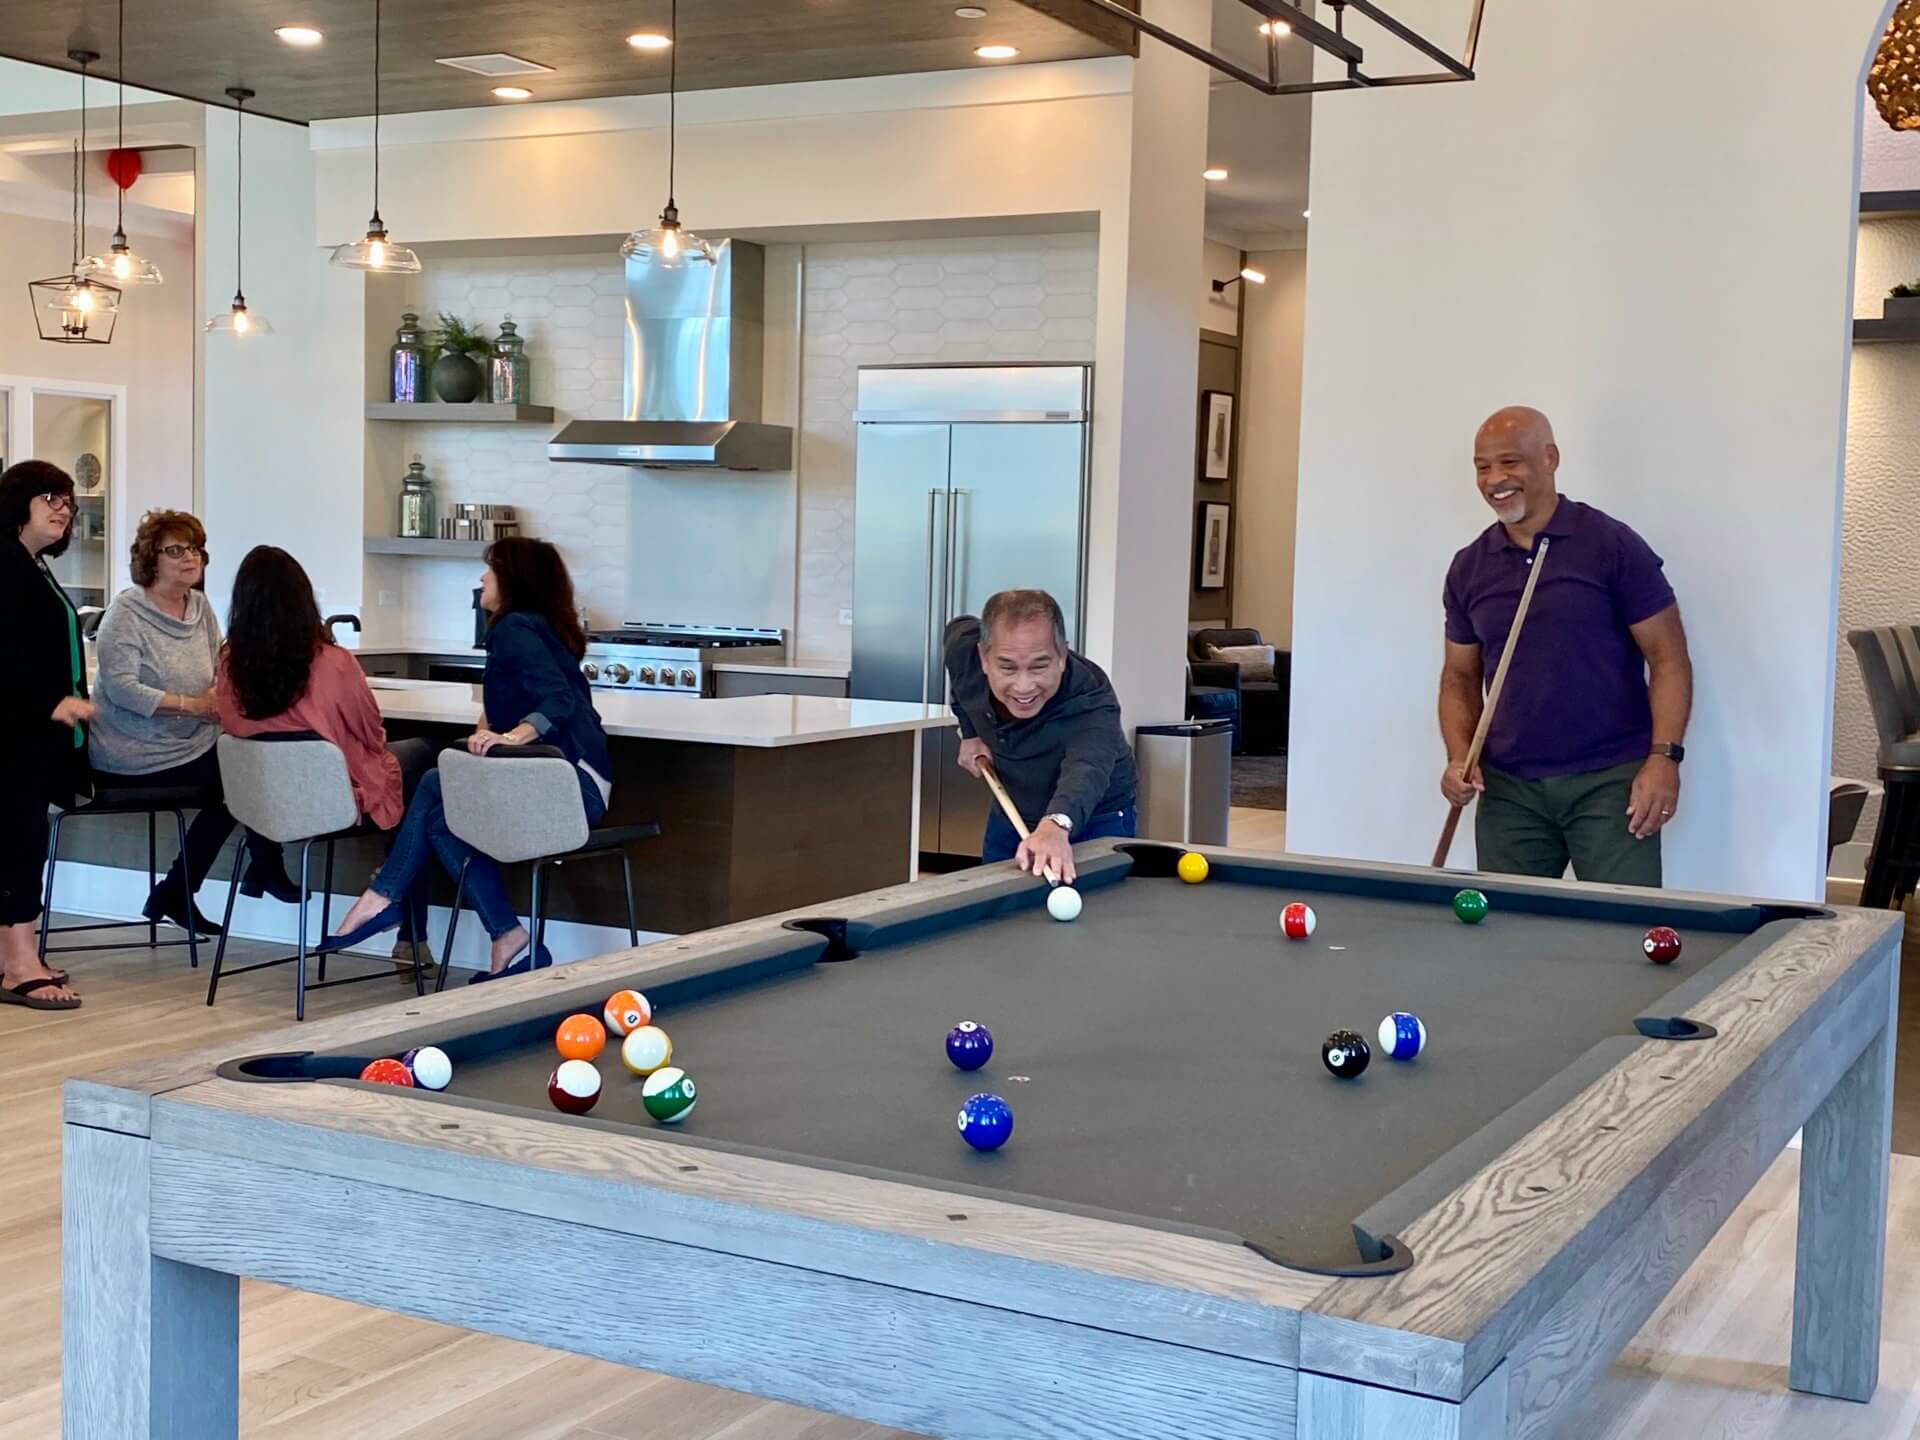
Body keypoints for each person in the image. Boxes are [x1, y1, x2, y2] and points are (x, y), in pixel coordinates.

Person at [326, 537, 612, 981]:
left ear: (513, 579)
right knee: (441, 818)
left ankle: (383, 897)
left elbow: (557, 700)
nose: (481, 579)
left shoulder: (516, 627)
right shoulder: (531, 625)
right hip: (563, 780)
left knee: (435, 780)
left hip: (573, 789)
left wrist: (514, 737)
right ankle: (507, 937)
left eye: (491, 570)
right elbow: (512, 697)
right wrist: (487, 731)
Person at [1438, 406, 1693, 886]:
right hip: (1509, 787)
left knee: (1621, 936)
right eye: (1482, 466)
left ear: (1550, 459)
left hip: (1609, 781)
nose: (1495, 479)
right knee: (1509, 936)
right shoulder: (1470, 566)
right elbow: (1459, 676)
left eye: (1510, 462)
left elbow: (1668, 657)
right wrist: (1457, 757)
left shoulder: (1610, 544)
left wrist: (1664, 759)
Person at [215, 545, 437, 965]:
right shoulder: (332, 662)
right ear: (303, 600)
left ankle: (403, 918)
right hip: (333, 803)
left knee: (410, 785)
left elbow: (228, 723)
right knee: (426, 762)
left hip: (263, 807)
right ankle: (405, 922)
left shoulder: (229, 662)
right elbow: (370, 731)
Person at [87, 510, 298, 936]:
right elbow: (123, 687)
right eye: (176, 550)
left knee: (250, 762)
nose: (190, 558)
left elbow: (219, 669)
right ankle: (249, 870)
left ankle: (181, 890)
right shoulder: (126, 613)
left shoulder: (199, 607)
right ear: (151, 559)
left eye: (196, 549)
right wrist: (190, 705)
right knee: (237, 779)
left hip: (195, 741)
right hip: (133, 749)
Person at [944, 588, 1137, 885]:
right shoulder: (964, 652)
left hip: (1094, 815)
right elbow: (958, 665)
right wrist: (970, 733)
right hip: (1014, 806)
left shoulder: (1092, 695)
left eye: (1039, 666)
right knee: (998, 910)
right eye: (1007, 667)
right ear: (984, 657)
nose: (1023, 686)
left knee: (1096, 918)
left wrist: (1057, 824)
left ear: (1062, 656)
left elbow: (1088, 766)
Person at [0, 461, 95, 1011]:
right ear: (18, 501)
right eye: (49, 497)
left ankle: (21, 953)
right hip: (14, 736)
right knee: (17, 843)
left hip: (33, 736)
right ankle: (18, 966)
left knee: (23, 840)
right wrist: (48, 702)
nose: (63, 508)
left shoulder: (30, 564)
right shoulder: (3, 565)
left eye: (67, 500)